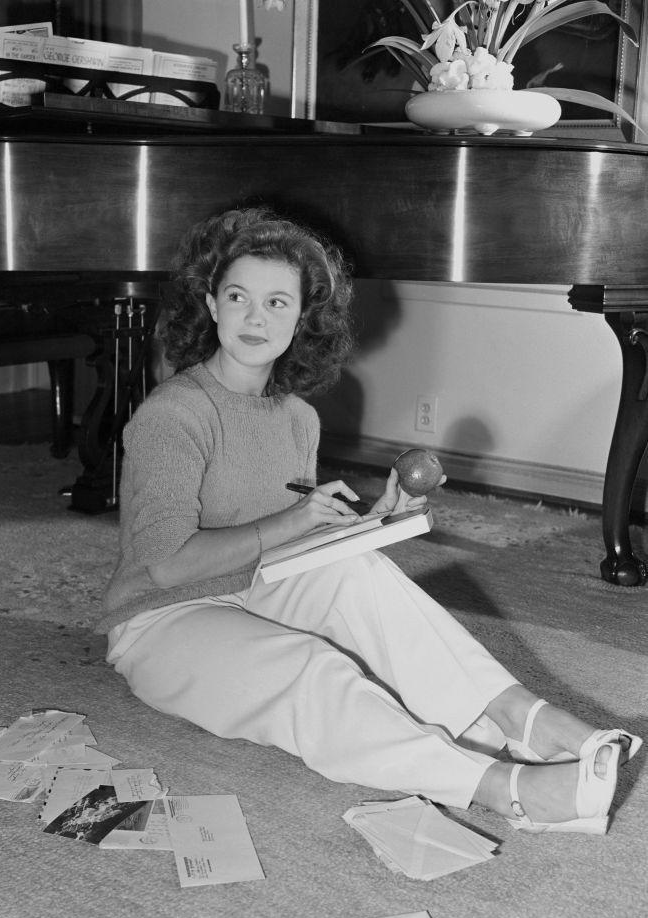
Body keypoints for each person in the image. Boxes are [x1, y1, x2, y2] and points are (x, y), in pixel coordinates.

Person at [99, 206, 641, 835]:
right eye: (238, 296)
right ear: (211, 305)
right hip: (161, 620)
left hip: (253, 586)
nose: (255, 317)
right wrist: (293, 521)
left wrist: (371, 522)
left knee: (358, 570)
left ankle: (523, 719)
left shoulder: (297, 416)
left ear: (303, 319)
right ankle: (505, 790)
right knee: (311, 670)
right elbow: (167, 567)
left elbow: (293, 542)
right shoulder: (175, 415)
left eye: (278, 303)